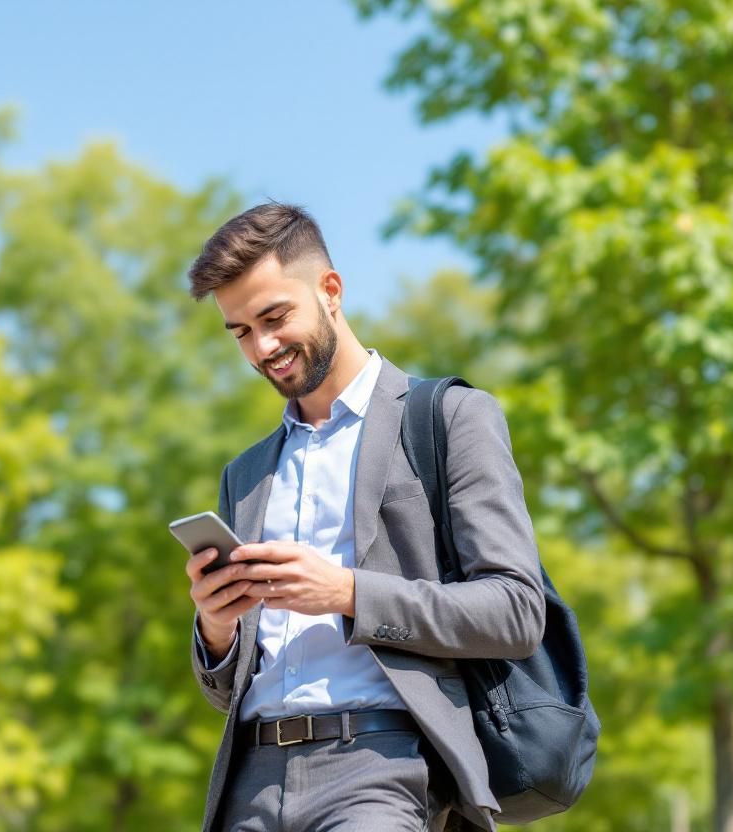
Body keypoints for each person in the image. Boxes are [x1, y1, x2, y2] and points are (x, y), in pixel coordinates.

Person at [184, 203, 545, 832]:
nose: (262, 348)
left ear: (330, 290)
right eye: (240, 331)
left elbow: (516, 611)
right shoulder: (246, 475)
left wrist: (346, 591)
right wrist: (216, 629)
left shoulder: (450, 418)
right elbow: (227, 689)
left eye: (274, 318)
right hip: (250, 781)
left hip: (378, 767)